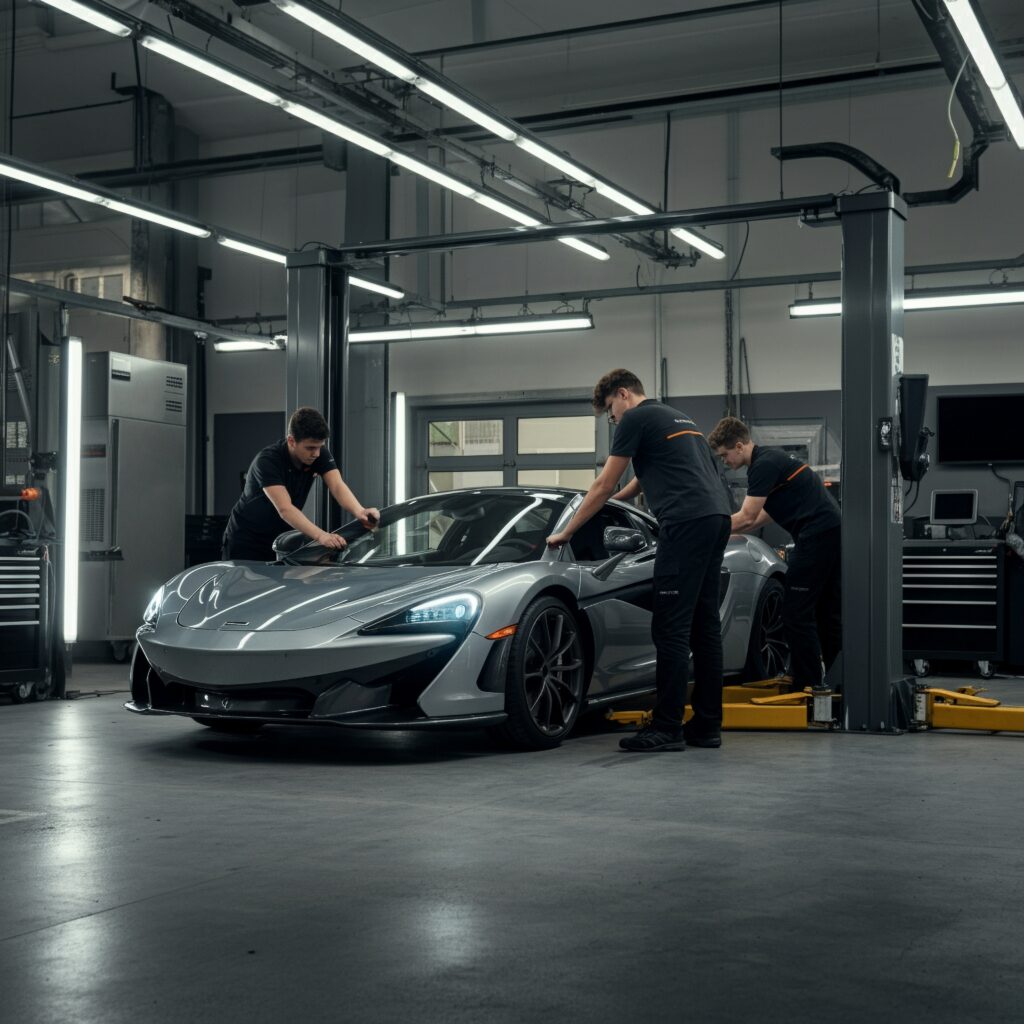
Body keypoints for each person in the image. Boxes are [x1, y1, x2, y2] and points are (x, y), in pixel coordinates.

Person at [546, 369, 731, 753]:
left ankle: (666, 726)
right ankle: (708, 726)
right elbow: (639, 482)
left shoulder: (634, 418)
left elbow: (604, 483)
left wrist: (567, 530)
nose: (613, 420)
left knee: (671, 629)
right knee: (703, 626)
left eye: (611, 412)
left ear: (623, 394)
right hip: (716, 519)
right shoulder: (676, 418)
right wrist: (616, 504)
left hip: (684, 523)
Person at [708, 416, 841, 692]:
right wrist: (729, 533)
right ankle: (831, 680)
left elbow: (747, 516)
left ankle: (808, 684)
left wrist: (707, 531)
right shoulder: (771, 460)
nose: (725, 462)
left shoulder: (762, 465)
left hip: (816, 536)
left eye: (724, 455)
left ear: (740, 446)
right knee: (826, 611)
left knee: (794, 611)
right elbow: (761, 517)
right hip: (828, 533)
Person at [221, 406, 379, 562]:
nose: (316, 454)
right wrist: (321, 536)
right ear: (291, 441)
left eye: (320, 447)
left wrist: (359, 511)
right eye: (310, 448)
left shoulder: (318, 454)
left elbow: (337, 485)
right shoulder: (267, 461)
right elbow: (285, 509)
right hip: (247, 539)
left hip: (280, 538)